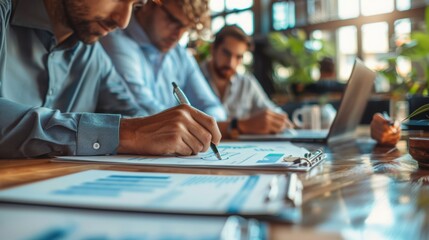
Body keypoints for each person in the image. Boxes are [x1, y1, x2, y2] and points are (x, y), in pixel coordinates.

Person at [0, 0, 221, 159]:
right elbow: (131, 129)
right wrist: (125, 133)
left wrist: (166, 132)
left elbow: (135, 116)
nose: (123, 21)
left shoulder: (92, 55)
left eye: (136, 4)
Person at [100, 0, 226, 121]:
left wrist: (206, 123)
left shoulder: (180, 55)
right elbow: (143, 113)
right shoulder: (114, 40)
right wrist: (195, 123)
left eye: (186, 27)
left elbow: (213, 107)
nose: (178, 35)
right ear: (149, 4)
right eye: (173, 20)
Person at [200, 25, 293, 137]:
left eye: (238, 57)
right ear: (213, 49)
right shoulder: (191, 77)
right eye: (226, 53)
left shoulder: (246, 83)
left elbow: (274, 113)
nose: (231, 63)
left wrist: (277, 121)